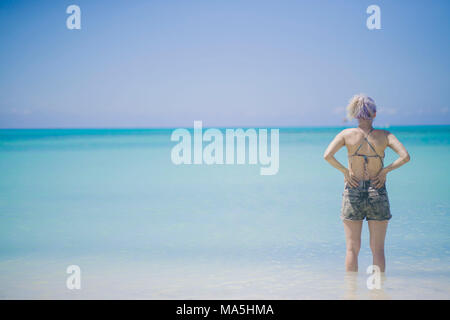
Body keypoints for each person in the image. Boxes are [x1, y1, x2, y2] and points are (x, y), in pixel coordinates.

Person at [323, 94, 410, 272]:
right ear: (375, 114)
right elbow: (405, 157)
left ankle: (352, 293)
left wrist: (345, 172)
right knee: (377, 250)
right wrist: (385, 171)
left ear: (355, 115)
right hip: (377, 190)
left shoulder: (346, 135)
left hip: (353, 189)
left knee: (352, 249)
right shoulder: (385, 135)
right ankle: (377, 292)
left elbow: (327, 156)